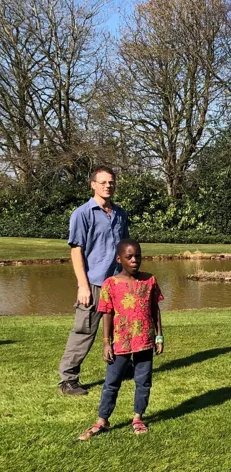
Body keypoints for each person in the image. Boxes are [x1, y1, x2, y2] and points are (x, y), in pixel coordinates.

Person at [77, 240, 164, 440]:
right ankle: (102, 421)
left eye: (138, 256)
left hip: (145, 339)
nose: (135, 261)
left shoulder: (149, 280)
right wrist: (106, 342)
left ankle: (138, 418)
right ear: (119, 259)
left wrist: (159, 336)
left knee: (143, 381)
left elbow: (155, 310)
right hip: (121, 341)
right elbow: (107, 313)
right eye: (129, 257)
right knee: (111, 382)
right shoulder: (110, 284)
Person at [58, 165, 130, 396]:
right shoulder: (82, 213)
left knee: (121, 329)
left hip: (117, 283)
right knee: (84, 331)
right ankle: (68, 380)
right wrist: (83, 285)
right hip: (94, 284)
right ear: (93, 185)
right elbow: (76, 251)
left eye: (111, 182)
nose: (108, 186)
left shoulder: (120, 213)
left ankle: (121, 367)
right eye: (103, 182)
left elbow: (124, 248)